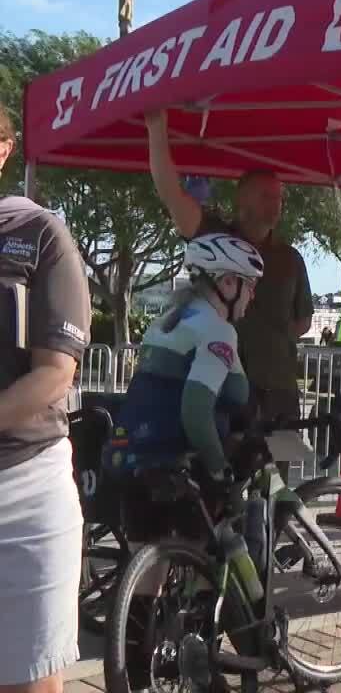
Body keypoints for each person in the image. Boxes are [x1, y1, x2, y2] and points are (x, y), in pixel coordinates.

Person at [108, 234, 263, 689]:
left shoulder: (168, 320)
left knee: (147, 587)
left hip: (136, 463)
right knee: (211, 570)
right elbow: (196, 408)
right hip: (181, 467)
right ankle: (204, 672)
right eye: (250, 286)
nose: (252, 296)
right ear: (228, 283)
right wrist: (218, 468)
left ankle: (135, 681)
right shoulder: (217, 330)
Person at [146, 110, 314, 441]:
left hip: (278, 389)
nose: (275, 204)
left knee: (277, 484)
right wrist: (157, 129)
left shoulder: (290, 258)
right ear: (242, 199)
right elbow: (172, 195)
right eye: (266, 196)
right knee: (221, 476)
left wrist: (271, 340)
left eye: (279, 197)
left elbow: (303, 320)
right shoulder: (215, 239)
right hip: (220, 385)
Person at [0, 104, 91, 693]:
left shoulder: (39, 233)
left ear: (3, 149)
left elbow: (56, 373)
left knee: (30, 680)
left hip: (26, 488)